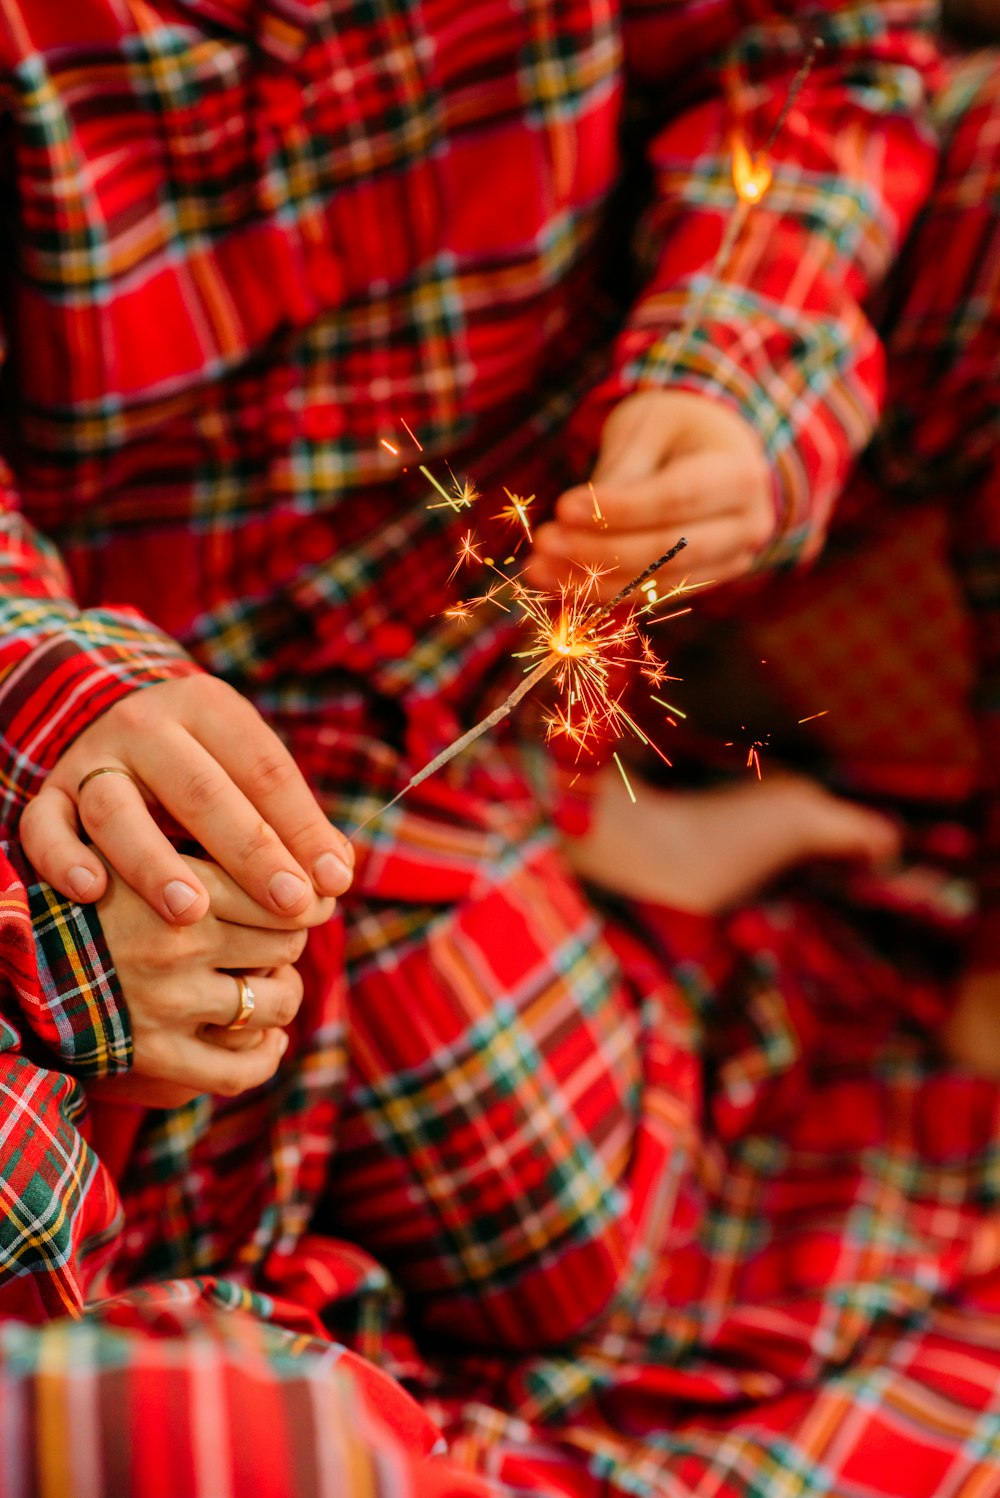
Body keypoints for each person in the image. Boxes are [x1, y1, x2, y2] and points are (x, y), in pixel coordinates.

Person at [0, 0, 999, 1494]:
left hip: (473, 669)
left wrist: (733, 370)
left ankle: (600, 841)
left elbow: (819, 56)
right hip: (92, 769)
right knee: (463, 1247)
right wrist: (44, 705)